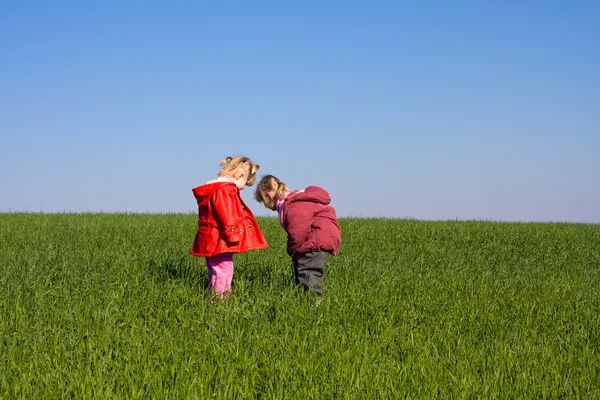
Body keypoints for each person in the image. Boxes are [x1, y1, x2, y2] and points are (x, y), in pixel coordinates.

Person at [190, 156, 268, 299]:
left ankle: (214, 297)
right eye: (245, 182)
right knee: (224, 270)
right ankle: (221, 301)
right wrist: (233, 234)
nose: (243, 187)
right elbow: (227, 214)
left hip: (212, 237)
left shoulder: (216, 189)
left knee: (216, 270)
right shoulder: (225, 190)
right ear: (240, 174)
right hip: (221, 238)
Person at [254, 175, 341, 296]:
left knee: (307, 270)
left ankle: (313, 302)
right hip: (322, 237)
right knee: (306, 268)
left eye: (264, 202)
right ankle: (304, 298)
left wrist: (292, 249)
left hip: (315, 239)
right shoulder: (296, 200)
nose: (266, 206)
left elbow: (298, 232)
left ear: (268, 195)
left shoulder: (293, 205)